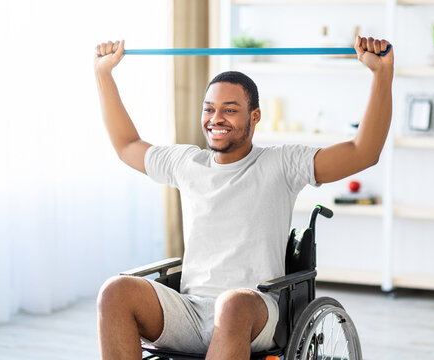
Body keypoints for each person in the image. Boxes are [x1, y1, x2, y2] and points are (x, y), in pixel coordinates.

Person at [94, 36, 393, 360]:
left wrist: (382, 74)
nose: (216, 119)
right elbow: (127, 145)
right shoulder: (186, 163)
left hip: (254, 309)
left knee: (232, 303)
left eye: (230, 110)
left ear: (255, 116)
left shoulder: (281, 163)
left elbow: (363, 152)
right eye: (209, 109)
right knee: (115, 291)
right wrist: (103, 75)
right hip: (191, 311)